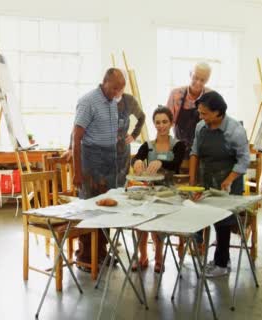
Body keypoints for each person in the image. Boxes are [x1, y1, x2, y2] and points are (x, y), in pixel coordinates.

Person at [189, 91, 250, 278]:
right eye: (200, 112)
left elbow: (244, 161)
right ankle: (221, 258)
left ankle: (222, 264)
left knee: (223, 221)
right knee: (209, 217)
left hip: (228, 182)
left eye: (204, 113)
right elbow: (195, 153)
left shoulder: (235, 131)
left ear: (218, 112)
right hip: (207, 179)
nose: (201, 117)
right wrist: (193, 182)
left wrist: (229, 180)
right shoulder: (201, 127)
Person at [72, 68, 127, 268]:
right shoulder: (88, 102)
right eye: (114, 88)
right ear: (104, 82)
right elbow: (76, 139)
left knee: (108, 208)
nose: (117, 93)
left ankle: (101, 253)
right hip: (91, 159)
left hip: (109, 158)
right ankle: (86, 257)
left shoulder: (113, 102)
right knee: (91, 208)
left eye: (121, 89)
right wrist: (77, 173)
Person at [131, 107, 185, 273]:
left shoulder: (178, 145)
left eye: (165, 122)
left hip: (169, 192)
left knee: (157, 224)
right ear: (154, 124)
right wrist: (137, 163)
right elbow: (136, 158)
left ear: (171, 123)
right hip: (149, 190)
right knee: (140, 222)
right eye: (157, 122)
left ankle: (159, 259)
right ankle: (142, 256)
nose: (161, 126)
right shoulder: (148, 145)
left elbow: (176, 165)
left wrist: (162, 163)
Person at [166, 62, 212, 159]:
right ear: (190, 74)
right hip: (179, 147)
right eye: (195, 77)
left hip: (203, 150)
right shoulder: (176, 94)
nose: (198, 82)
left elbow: (216, 125)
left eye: (202, 80)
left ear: (207, 80)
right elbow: (166, 123)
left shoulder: (211, 96)